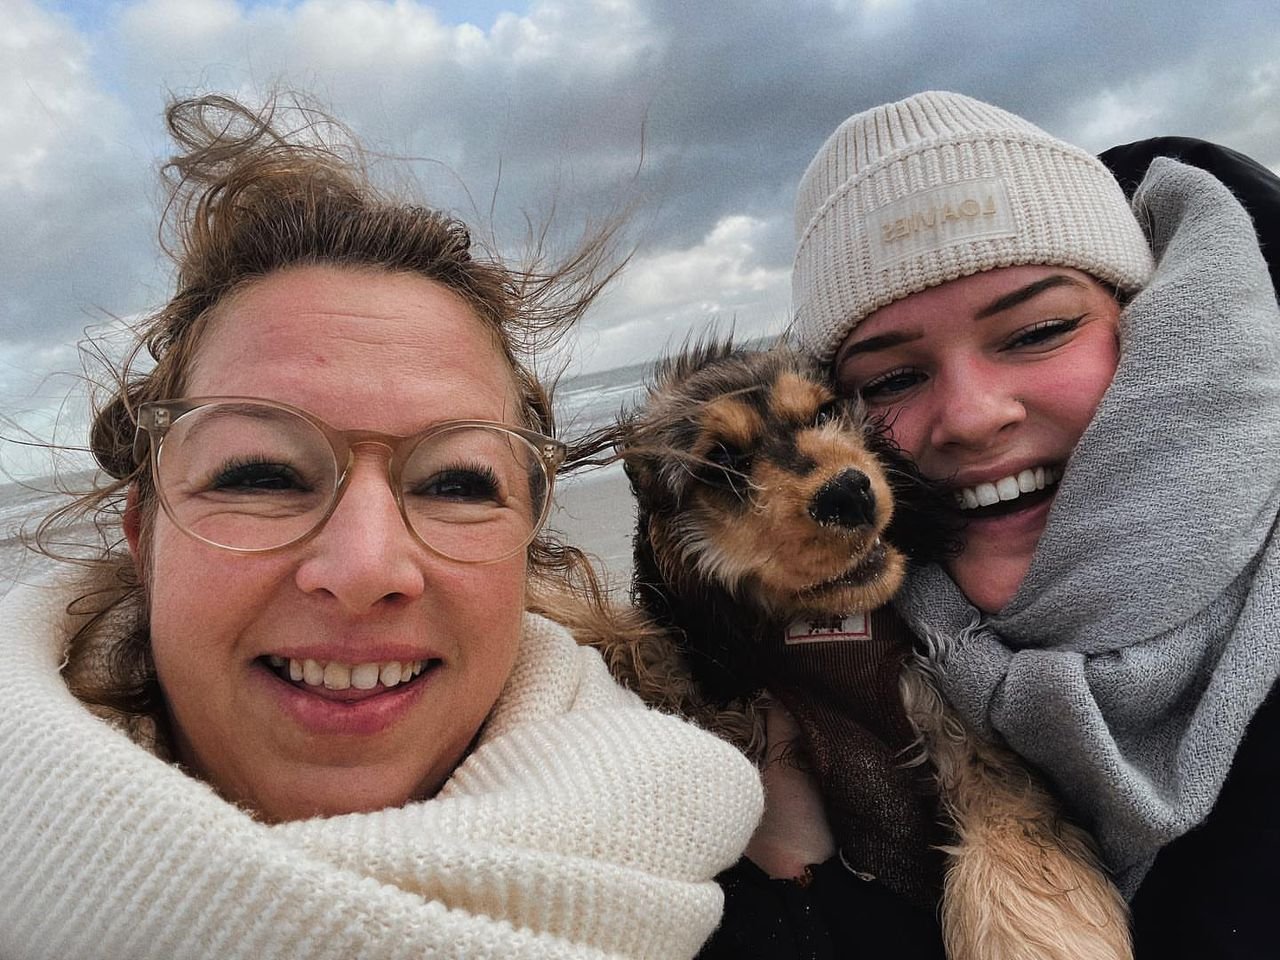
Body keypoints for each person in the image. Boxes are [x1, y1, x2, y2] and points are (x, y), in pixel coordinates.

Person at [0, 93, 762, 960]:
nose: (365, 567)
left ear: (527, 545)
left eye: (456, 485)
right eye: (261, 475)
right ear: (145, 536)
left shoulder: (761, 886)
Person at [784, 91, 1279, 957]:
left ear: (1161, 328)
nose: (971, 417)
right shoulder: (814, 699)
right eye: (891, 380)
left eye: (1038, 330)